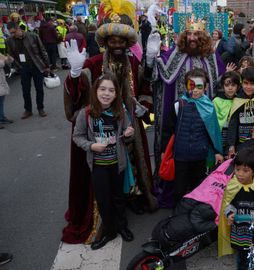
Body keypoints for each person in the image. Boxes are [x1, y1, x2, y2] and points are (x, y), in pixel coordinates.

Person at [62, 0, 157, 244]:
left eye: (121, 41)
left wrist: (142, 106)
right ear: (105, 42)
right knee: (104, 182)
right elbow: (79, 92)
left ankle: (133, 198)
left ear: (127, 43)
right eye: (112, 40)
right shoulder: (93, 64)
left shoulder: (133, 62)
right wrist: (73, 75)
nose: (116, 44)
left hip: (127, 127)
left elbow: (146, 87)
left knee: (129, 166)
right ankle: (107, 221)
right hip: (99, 132)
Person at [145, 15, 225, 208]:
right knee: (177, 160)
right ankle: (174, 194)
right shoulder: (174, 54)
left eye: (196, 34)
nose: (192, 38)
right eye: (189, 33)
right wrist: (150, 58)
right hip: (178, 117)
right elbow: (157, 71)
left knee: (199, 163)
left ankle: (199, 196)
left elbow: (222, 82)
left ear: (203, 37)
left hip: (202, 120)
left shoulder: (212, 58)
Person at [73, 73, 135, 250]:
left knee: (119, 198)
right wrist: (91, 146)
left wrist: (130, 134)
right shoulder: (86, 113)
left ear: (116, 94)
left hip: (117, 164)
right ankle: (109, 230)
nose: (106, 93)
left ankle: (122, 226)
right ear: (95, 90)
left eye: (111, 90)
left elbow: (129, 135)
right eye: (102, 89)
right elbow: (77, 136)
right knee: (103, 200)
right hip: (98, 166)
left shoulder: (120, 112)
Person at [161, 69, 223, 206]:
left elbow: (213, 132)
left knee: (198, 188)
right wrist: (164, 151)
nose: (195, 90)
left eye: (199, 86)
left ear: (206, 87)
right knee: (179, 189)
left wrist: (217, 151)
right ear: (186, 86)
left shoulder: (209, 107)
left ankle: (194, 216)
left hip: (199, 156)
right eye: (191, 86)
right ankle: (178, 215)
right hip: (180, 156)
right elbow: (167, 130)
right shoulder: (178, 105)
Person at [6, 21, 49, 119]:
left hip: (37, 66)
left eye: (13, 32)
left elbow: (42, 51)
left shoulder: (33, 36)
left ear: (18, 29)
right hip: (23, 68)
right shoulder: (9, 41)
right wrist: (17, 67)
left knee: (39, 89)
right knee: (25, 90)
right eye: (10, 33)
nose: (12, 35)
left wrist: (47, 66)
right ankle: (28, 110)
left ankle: (40, 108)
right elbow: (11, 55)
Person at [214, 71, 241, 155]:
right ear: (222, 86)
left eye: (233, 85)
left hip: (234, 140)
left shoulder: (240, 101)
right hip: (219, 138)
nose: (230, 88)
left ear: (238, 87)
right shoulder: (216, 101)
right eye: (227, 85)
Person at [0, 53, 14, 128]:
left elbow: (7, 61)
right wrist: (3, 60)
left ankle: (1, 117)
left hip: (1, 80)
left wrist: (8, 58)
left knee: (1, 101)